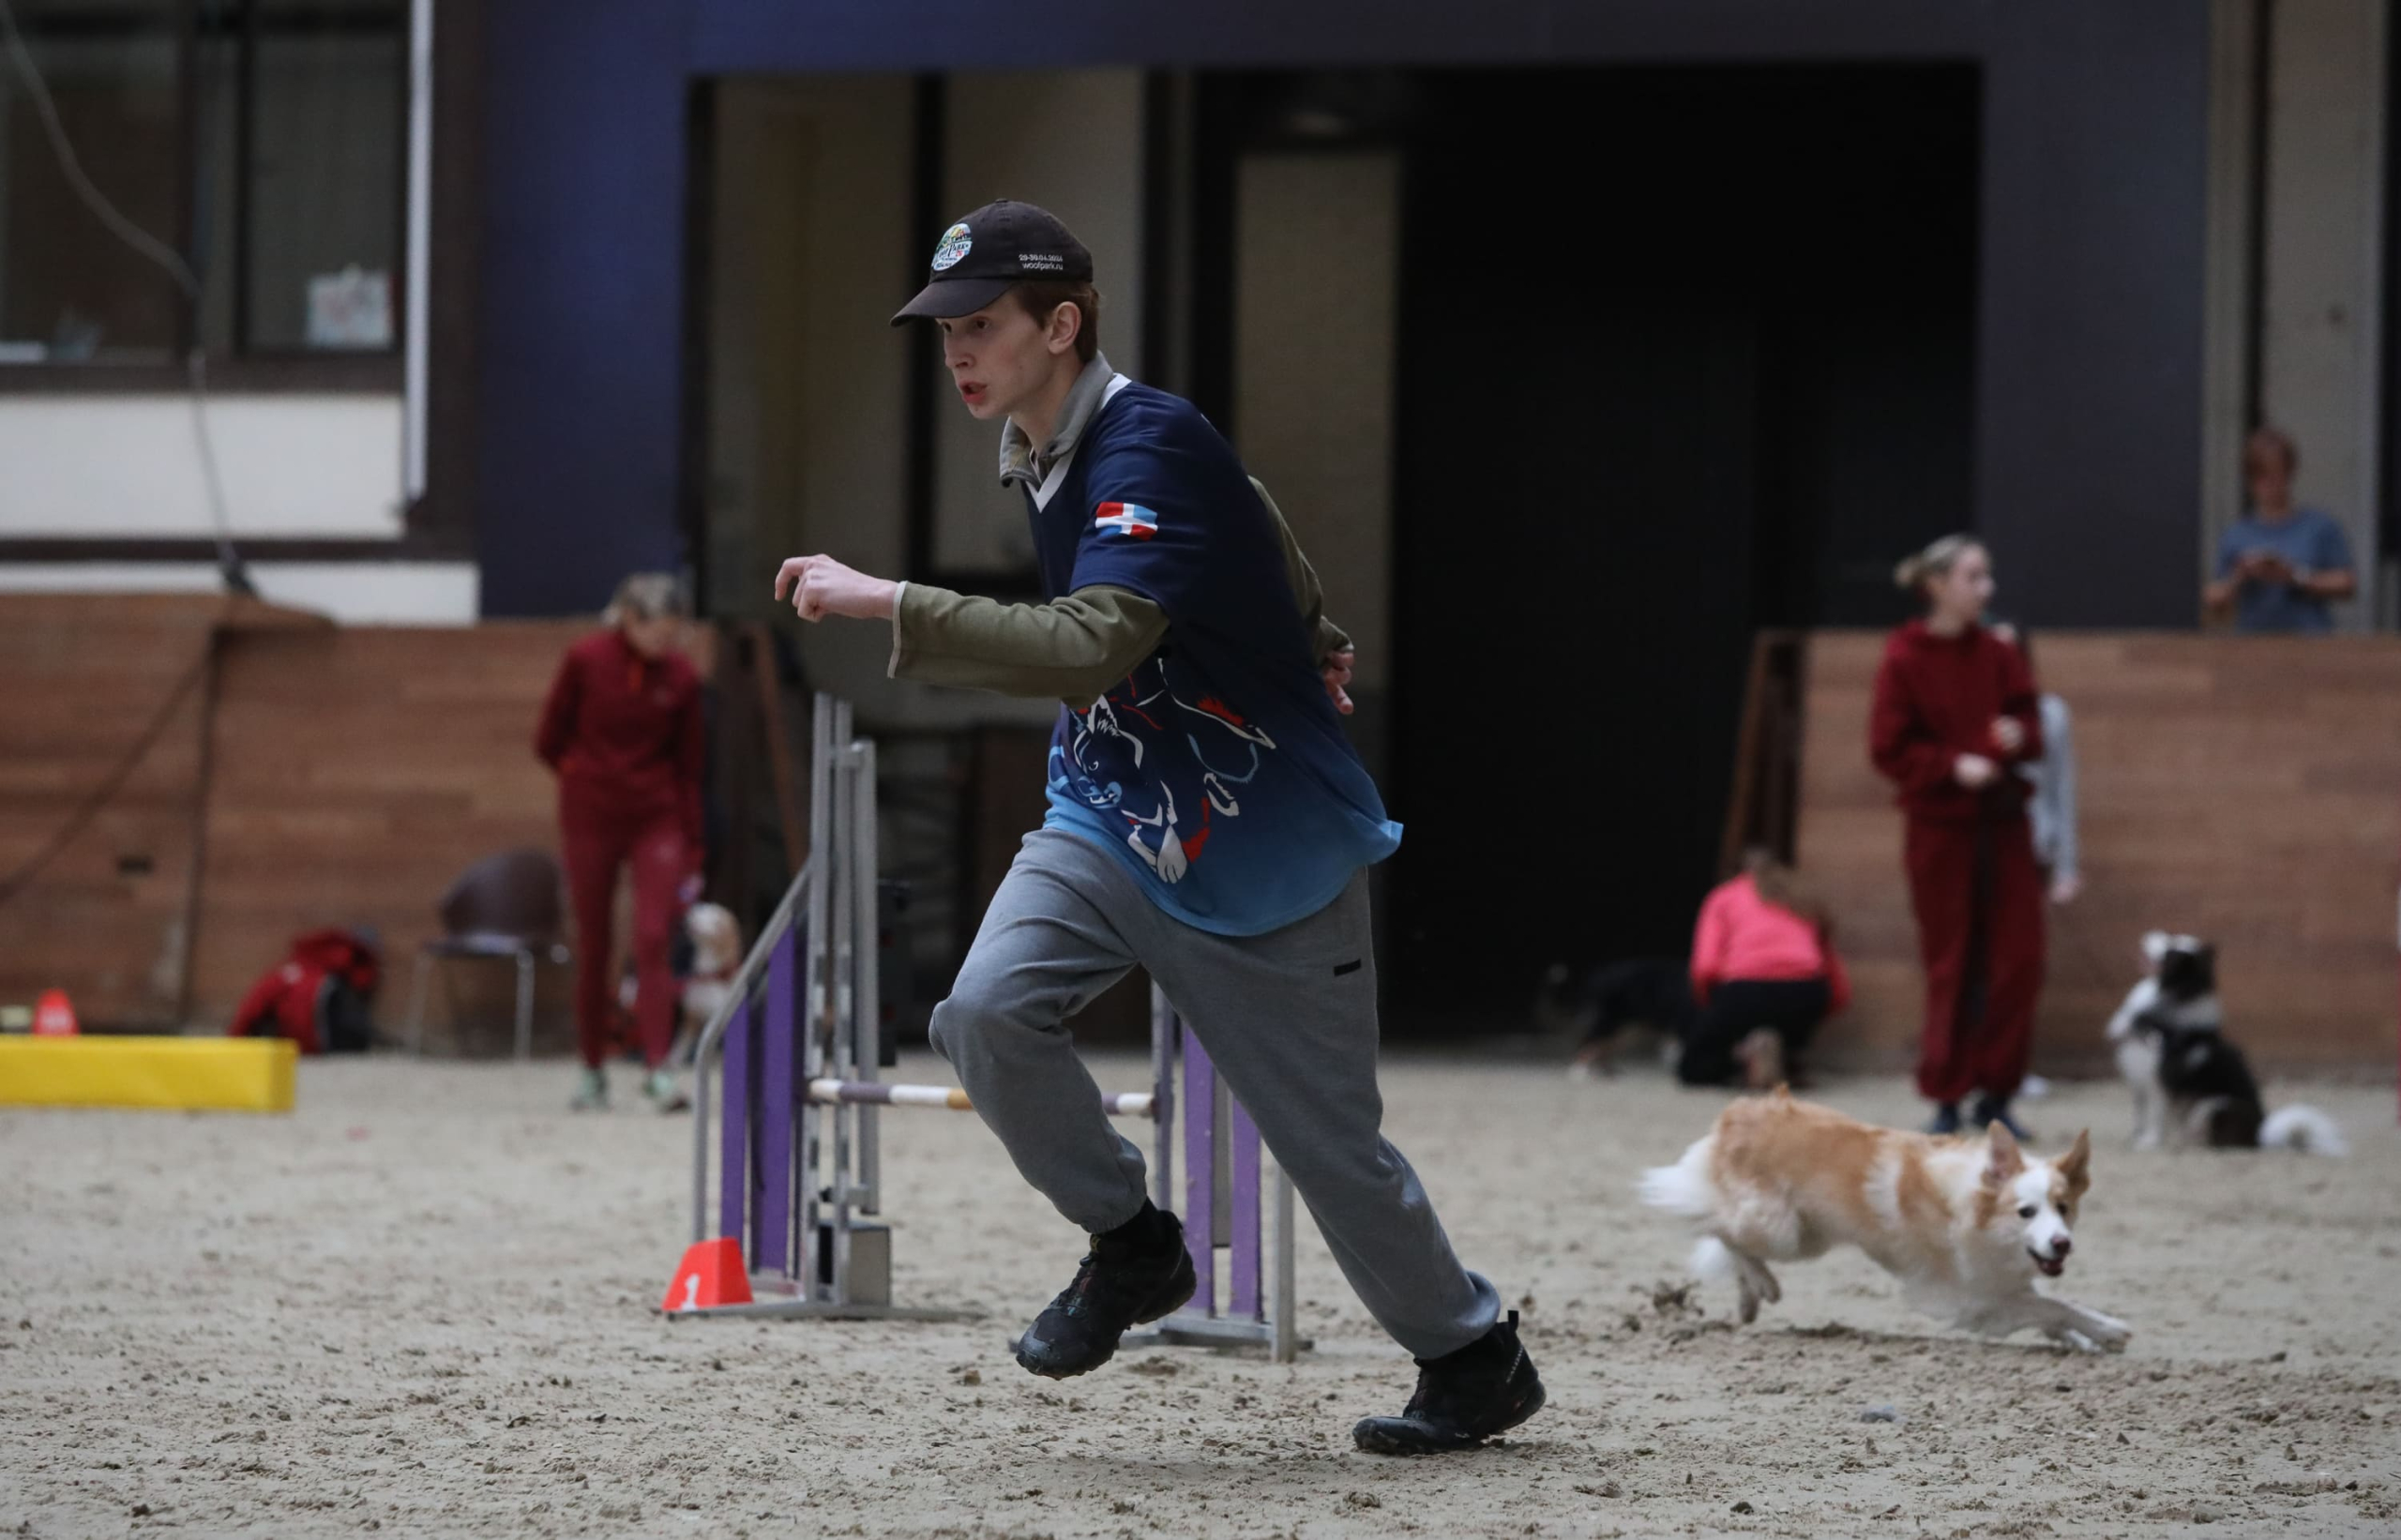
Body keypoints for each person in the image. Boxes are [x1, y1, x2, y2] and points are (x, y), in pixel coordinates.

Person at [772, 199, 1539, 1456]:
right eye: (945, 330)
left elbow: (1095, 640)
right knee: (982, 1011)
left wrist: (889, 599)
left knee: (1333, 1152)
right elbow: (1260, 520)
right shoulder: (1046, 444)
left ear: (1061, 324)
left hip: (1266, 844)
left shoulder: (1147, 442)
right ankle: (1133, 1245)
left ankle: (1473, 1356)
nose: (956, 351)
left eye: (983, 326)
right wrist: (1317, 628)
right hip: (1112, 811)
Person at [1870, 536, 2046, 1139]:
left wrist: (2020, 735)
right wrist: (1951, 765)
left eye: (1987, 576)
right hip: (1940, 830)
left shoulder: (1998, 653)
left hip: (2002, 826)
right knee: (1951, 961)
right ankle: (1946, 1093)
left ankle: (1996, 1092)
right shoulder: (1905, 656)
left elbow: (2029, 719)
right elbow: (1888, 748)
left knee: (2017, 958)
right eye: (1974, 577)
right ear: (1938, 585)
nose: (1986, 589)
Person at [534, 573, 704, 1113]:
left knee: (653, 936)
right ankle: (591, 1068)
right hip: (591, 815)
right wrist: (584, 777)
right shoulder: (585, 660)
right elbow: (548, 740)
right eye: (657, 633)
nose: (666, 644)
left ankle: (658, 1069)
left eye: (674, 634)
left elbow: (690, 763)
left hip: (656, 815)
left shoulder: (681, 677)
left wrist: (692, 840)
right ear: (628, 620)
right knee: (594, 942)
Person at [1680, 850, 1851, 1091]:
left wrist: (1709, 1005)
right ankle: (1786, 1055)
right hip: (1805, 992)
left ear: (1738, 871)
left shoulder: (1724, 896)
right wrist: (1827, 1006)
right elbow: (1831, 968)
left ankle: (1743, 1057)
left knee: (1694, 1067)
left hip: (1745, 989)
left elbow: (1706, 966)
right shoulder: (1802, 899)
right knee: (1787, 1021)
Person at [2203, 427, 2357, 633]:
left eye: (2276, 475)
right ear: (2249, 480)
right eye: (2261, 477)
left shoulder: (2320, 526)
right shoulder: (2236, 534)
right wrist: (2241, 576)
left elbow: (2347, 583)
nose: (2269, 485)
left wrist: (2294, 575)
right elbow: (2213, 597)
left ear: (2290, 473)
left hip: (2311, 646)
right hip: (2253, 646)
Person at [1989, 624, 2080, 907]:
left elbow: (2062, 787)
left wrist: (2068, 866)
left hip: (2033, 843)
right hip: (1979, 845)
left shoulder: (2049, 714)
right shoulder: (1968, 713)